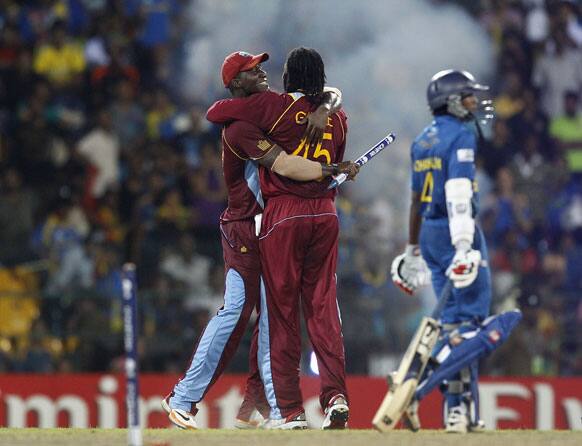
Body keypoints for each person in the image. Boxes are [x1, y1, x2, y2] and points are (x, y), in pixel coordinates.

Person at [161, 50, 357, 430]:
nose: (262, 73)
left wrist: (326, 103)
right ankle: (193, 397)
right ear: (236, 84)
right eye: (253, 70)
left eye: (263, 67)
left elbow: (323, 93)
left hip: (269, 223)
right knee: (242, 311)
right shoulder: (242, 123)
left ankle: (260, 405)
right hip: (246, 227)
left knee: (270, 312)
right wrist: (331, 158)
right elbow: (221, 115)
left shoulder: (269, 112)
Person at [391, 69, 520, 433]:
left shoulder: (421, 140)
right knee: (474, 324)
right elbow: (460, 194)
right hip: (454, 229)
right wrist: (464, 245)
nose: (473, 103)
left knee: (453, 324)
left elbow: (416, 200)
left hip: (430, 233)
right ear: (449, 99)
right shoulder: (461, 135)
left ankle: (462, 412)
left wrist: (413, 248)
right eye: (466, 96)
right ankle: (423, 388)